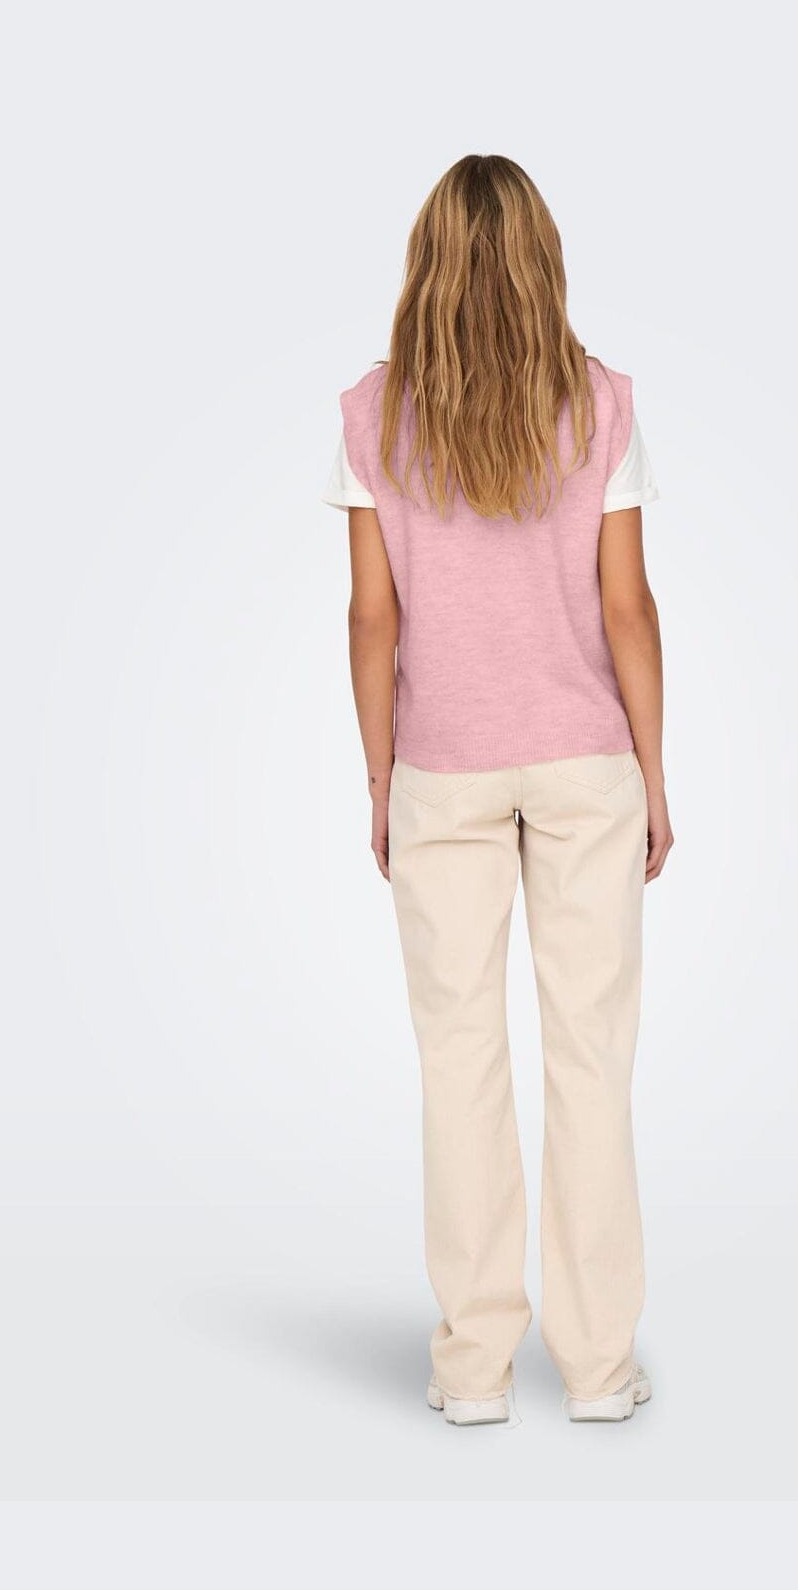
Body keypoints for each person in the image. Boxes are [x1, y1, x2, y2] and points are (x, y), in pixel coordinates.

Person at [322, 154, 673, 1425]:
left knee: (459, 1059)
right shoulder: (601, 402)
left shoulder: (373, 414)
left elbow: (373, 617)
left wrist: (381, 777)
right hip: (585, 763)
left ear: (427, 262)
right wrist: (655, 771)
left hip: (443, 766)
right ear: (542, 261)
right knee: (591, 1058)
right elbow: (626, 606)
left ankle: (473, 1369)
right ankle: (599, 1368)